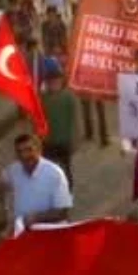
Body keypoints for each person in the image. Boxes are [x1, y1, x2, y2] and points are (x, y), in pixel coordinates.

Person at [1, 134, 73, 230]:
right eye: (20, 152)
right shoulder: (14, 171)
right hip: (25, 234)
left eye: (29, 150)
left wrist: (37, 217)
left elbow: (63, 211)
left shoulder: (54, 173)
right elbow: (1, 178)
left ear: (39, 150)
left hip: (52, 232)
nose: (24, 155)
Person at [40, 63, 79, 191]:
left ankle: (67, 191)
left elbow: (74, 120)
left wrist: (74, 139)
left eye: (56, 81)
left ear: (61, 81)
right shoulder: (43, 98)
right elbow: (40, 118)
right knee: (48, 168)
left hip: (64, 141)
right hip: (48, 141)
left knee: (65, 168)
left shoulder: (69, 97)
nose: (53, 84)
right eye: (50, 82)